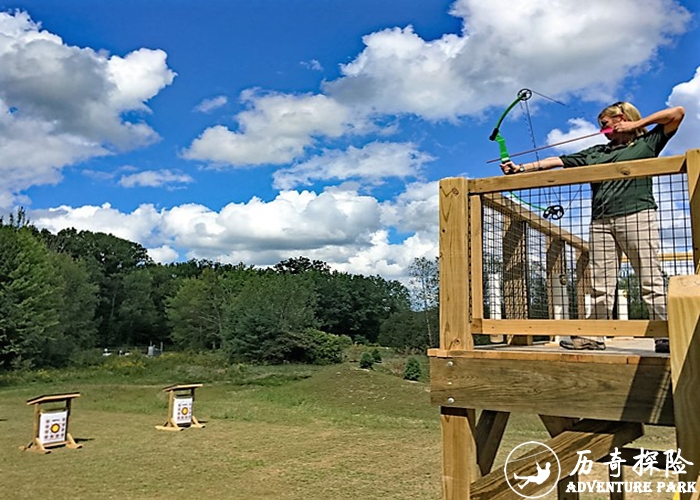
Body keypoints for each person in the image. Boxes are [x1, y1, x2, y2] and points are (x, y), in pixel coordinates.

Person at [501, 102, 685, 352]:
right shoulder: (597, 152)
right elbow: (557, 161)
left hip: (638, 216)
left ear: (621, 118)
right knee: (600, 282)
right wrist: (521, 168)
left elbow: (677, 113)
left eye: (605, 125)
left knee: (649, 279)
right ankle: (594, 336)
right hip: (600, 222)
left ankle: (665, 336)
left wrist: (636, 125)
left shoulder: (647, 143)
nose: (602, 130)